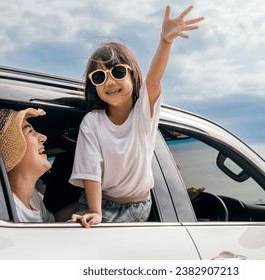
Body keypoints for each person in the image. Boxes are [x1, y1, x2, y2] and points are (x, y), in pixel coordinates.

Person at [69, 5, 204, 227]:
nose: (110, 82)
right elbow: (90, 167)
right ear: (94, 86)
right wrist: (95, 211)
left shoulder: (143, 115)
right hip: (100, 204)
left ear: (132, 74)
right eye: (99, 76)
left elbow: (154, 81)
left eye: (118, 72)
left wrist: (165, 41)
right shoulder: (92, 122)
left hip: (138, 207)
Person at [0, 107, 55, 223]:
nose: (43, 137)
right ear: (13, 149)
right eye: (30, 131)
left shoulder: (34, 197)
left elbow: (54, 224)